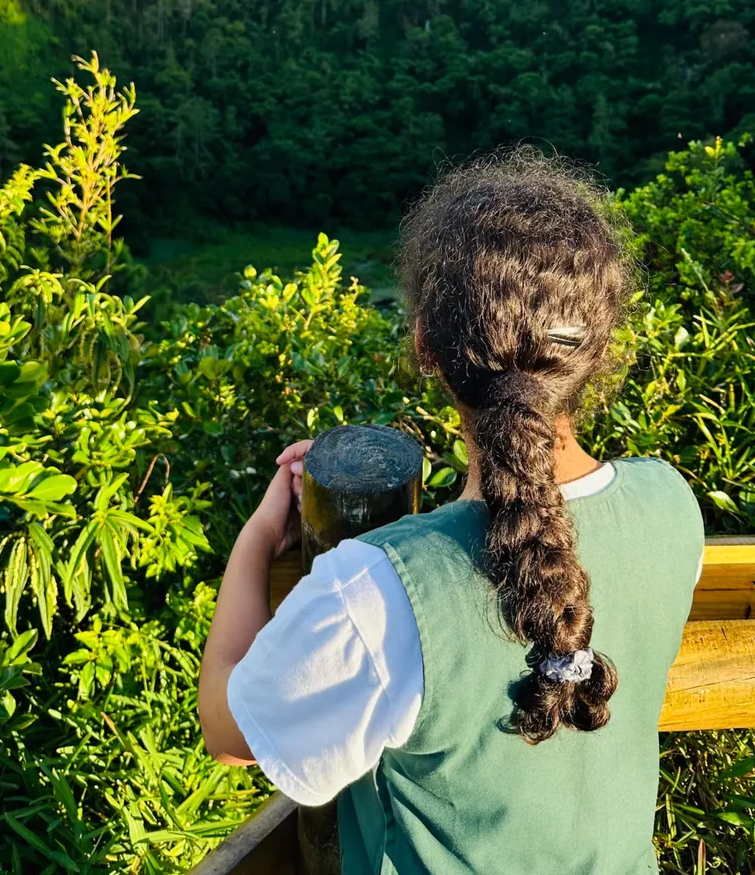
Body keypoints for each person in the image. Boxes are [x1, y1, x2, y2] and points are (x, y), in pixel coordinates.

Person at [199, 148, 705, 874]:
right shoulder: (670, 506)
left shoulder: (378, 592)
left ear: (425, 348)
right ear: (599, 351)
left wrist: (254, 543)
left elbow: (230, 734)